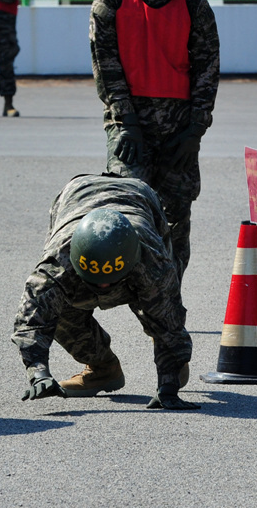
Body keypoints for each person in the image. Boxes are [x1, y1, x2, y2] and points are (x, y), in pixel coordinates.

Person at [89, 0, 219, 279]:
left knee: (176, 217)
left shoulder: (193, 2)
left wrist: (196, 130)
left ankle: (169, 297)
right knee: (128, 211)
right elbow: (106, 66)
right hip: (130, 127)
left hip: (180, 128)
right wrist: (127, 122)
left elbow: (207, 69)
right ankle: (137, 290)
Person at [12, 173, 198, 411]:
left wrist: (169, 386)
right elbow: (31, 321)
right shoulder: (56, 266)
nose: (102, 288)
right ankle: (102, 368)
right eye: (96, 281)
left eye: (109, 281)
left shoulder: (152, 263)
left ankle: (173, 367)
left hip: (139, 197)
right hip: (76, 194)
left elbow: (169, 320)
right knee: (57, 307)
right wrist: (38, 372)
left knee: (156, 307)